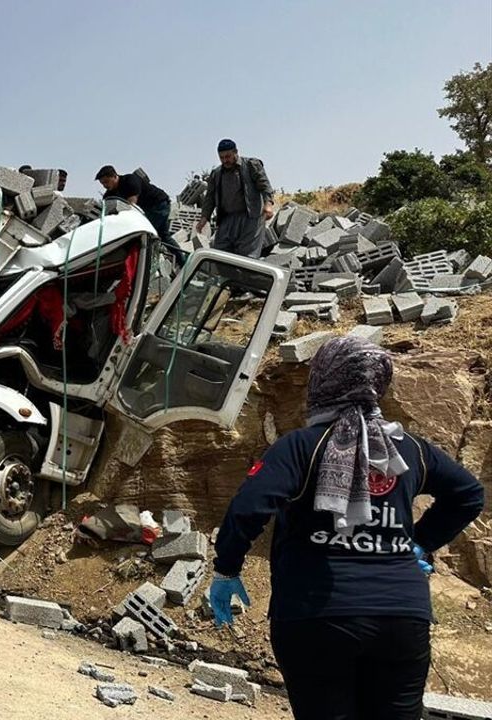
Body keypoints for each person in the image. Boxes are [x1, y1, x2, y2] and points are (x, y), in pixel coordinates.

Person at [210, 336, 484, 720]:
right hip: (402, 617)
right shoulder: (410, 449)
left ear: (323, 379)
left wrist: (227, 567)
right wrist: (419, 544)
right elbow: (469, 494)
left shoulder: (302, 446)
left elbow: (249, 506)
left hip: (316, 616)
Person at [195, 139, 276, 258]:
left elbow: (265, 185)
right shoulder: (216, 174)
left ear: (235, 152)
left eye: (228, 156)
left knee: (248, 257)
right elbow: (210, 198)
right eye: (221, 158)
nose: (225, 160)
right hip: (227, 220)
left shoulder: (250, 165)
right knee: (222, 255)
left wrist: (268, 204)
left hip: (250, 218)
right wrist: (204, 218)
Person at [95, 165, 181, 264]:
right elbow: (106, 209)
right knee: (164, 236)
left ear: (114, 176)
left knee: (145, 235)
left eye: (106, 182)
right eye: (102, 184)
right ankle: (183, 263)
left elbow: (131, 207)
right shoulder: (110, 194)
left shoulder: (130, 180)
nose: (105, 186)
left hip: (159, 205)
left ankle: (146, 266)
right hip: (148, 210)